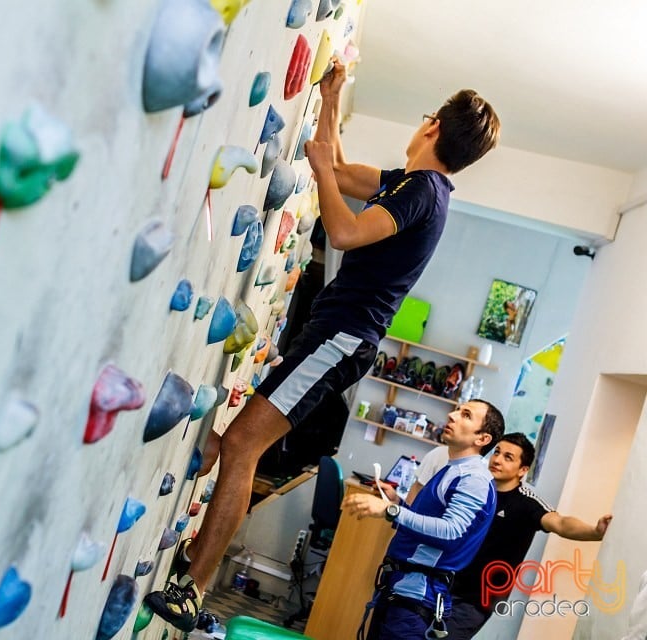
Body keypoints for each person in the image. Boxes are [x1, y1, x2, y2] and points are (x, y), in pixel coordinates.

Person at [143, 58, 501, 632]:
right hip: (332, 334)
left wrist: (324, 176)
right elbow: (332, 161)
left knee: (241, 447)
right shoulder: (411, 185)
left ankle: (195, 589)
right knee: (233, 445)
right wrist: (333, 98)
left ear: (432, 126)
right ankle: (200, 515)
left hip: (341, 340)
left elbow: (344, 231)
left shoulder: (425, 192)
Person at [343, 400, 505, 639]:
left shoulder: (473, 479)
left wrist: (391, 511)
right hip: (400, 590)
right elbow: (428, 526)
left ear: (482, 439)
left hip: (416, 601)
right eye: (458, 409)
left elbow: (452, 533)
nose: (452, 415)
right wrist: (398, 503)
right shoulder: (453, 468)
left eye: (466, 415)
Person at [445, 433, 612, 639]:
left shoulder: (526, 503)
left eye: (508, 457)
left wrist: (595, 531)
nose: (497, 460)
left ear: (523, 470)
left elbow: (560, 522)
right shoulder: (475, 490)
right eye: (497, 452)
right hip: (442, 583)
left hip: (476, 600)